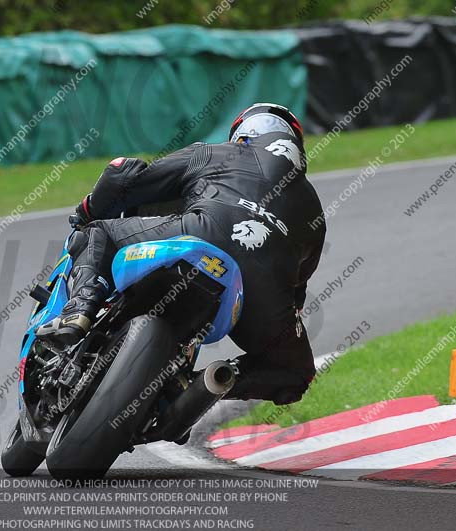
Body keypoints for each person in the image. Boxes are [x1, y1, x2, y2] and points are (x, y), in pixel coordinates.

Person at [36, 103, 326, 405]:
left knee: (98, 232)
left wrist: (88, 209)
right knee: (295, 373)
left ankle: (79, 310)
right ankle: (204, 386)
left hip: (199, 236)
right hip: (261, 292)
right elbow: (297, 290)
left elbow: (125, 176)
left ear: (242, 134)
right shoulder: (313, 208)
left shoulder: (216, 152)